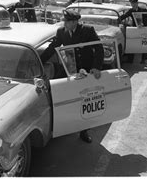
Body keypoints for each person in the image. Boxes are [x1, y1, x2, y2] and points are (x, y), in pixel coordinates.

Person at [40, 9, 104, 143]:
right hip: (70, 67)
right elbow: (53, 47)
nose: (64, 23)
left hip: (86, 68)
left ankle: (84, 130)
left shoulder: (87, 30)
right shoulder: (61, 32)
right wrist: (40, 60)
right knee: (58, 90)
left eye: (67, 21)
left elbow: (98, 48)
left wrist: (96, 67)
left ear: (75, 22)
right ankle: (62, 124)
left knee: (85, 99)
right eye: (64, 21)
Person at [119, 0, 147, 64]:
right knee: (132, 43)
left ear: (137, 3)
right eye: (131, 3)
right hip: (135, 29)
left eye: (134, 3)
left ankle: (143, 59)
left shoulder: (143, 10)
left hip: (144, 29)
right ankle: (130, 59)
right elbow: (124, 16)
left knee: (144, 44)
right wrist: (116, 19)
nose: (133, 5)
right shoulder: (131, 11)